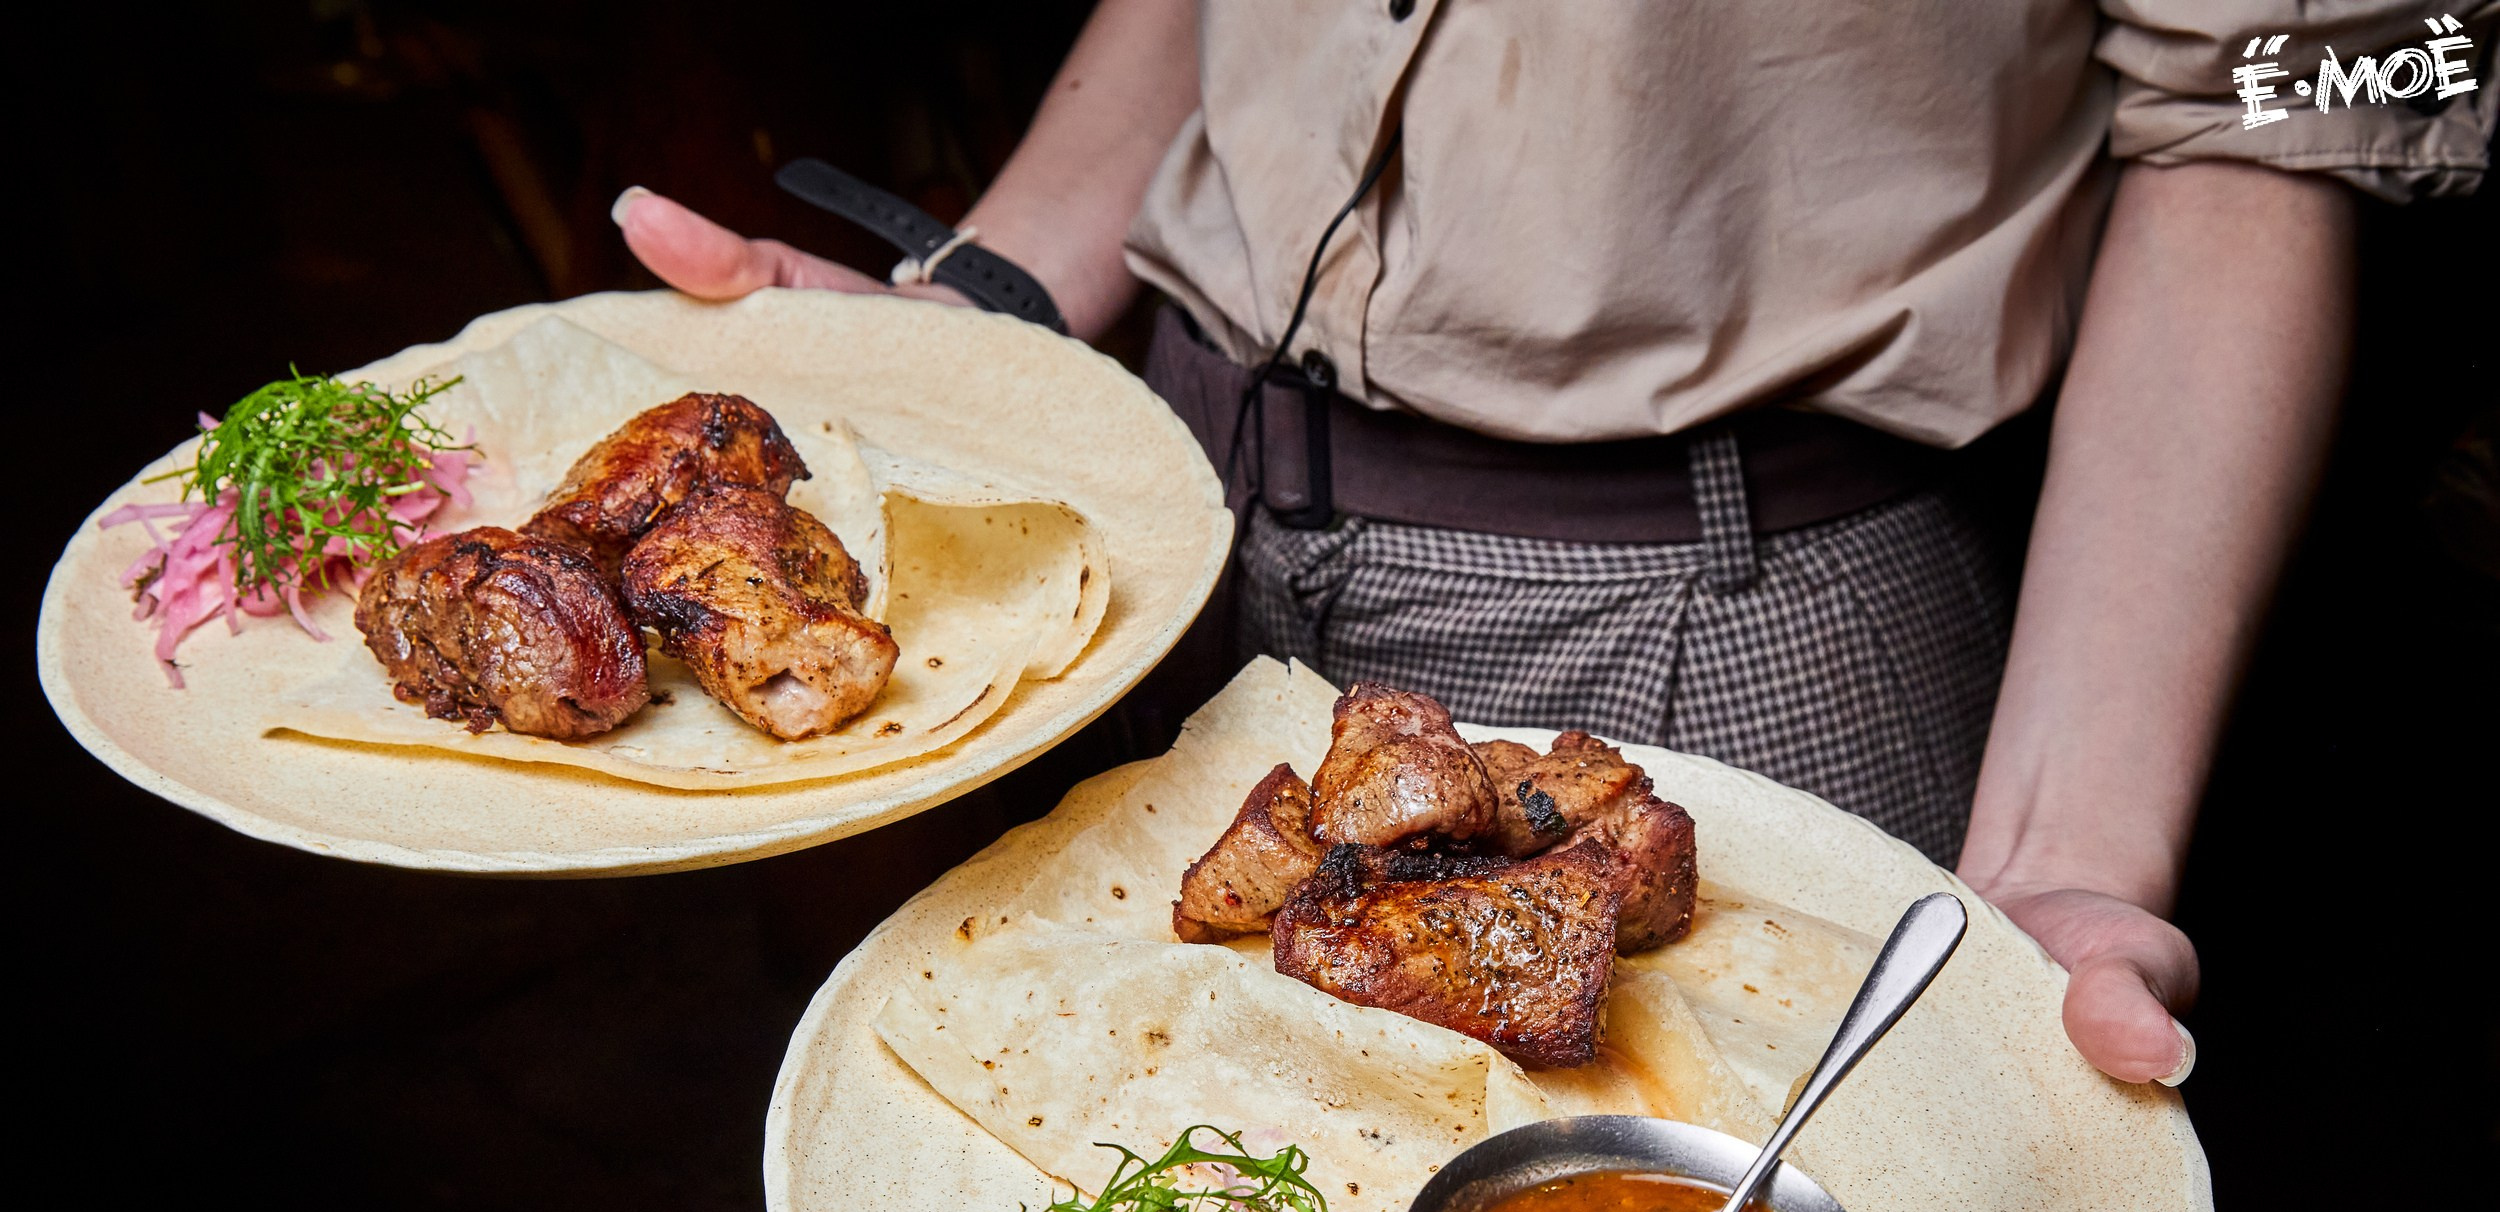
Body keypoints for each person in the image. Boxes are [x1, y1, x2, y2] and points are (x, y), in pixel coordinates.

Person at [610, 1, 2494, 1086]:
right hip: (1157, 504)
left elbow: (2299, 93)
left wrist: (2066, 853)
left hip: (1710, 612)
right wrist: (990, 323)